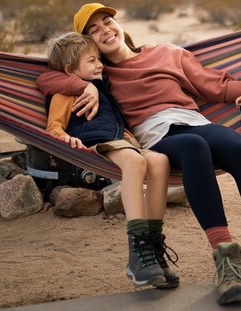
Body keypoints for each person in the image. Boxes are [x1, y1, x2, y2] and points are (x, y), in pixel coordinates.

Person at [37, 3, 241, 304]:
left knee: (236, 145)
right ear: (88, 45)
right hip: (156, 135)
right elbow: (46, 78)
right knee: (195, 147)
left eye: (107, 22)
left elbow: (216, 86)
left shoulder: (167, 53)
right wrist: (80, 85)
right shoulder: (99, 74)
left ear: (118, 24)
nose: (105, 30)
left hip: (193, 121)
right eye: (93, 30)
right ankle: (227, 261)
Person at [44, 31, 177, 289]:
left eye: (98, 59)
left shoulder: (102, 85)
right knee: (135, 163)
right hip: (96, 142)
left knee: (160, 161)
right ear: (71, 70)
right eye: (92, 60)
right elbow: (54, 127)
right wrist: (65, 138)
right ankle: (137, 253)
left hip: (124, 142)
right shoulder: (64, 92)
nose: (99, 64)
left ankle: (153, 246)